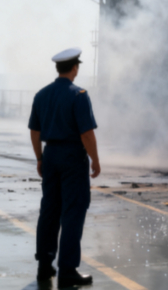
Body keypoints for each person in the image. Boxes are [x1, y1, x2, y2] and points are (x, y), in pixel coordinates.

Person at [29, 47, 101, 288]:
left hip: (50, 156)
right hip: (72, 157)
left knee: (49, 211)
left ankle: (44, 266)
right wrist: (95, 159)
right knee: (73, 211)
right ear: (75, 68)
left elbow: (35, 132)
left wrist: (39, 158)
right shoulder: (78, 95)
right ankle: (68, 270)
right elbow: (87, 134)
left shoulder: (41, 95)